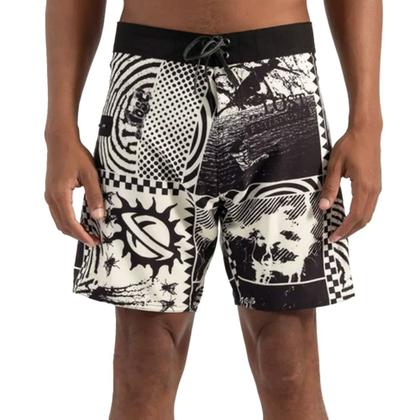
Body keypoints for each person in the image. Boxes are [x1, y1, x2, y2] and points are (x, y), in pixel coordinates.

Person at [44, 0, 382, 419]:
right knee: (144, 359)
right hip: (149, 85)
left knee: (287, 358)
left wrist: (367, 123)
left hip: (280, 83)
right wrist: (59, 130)